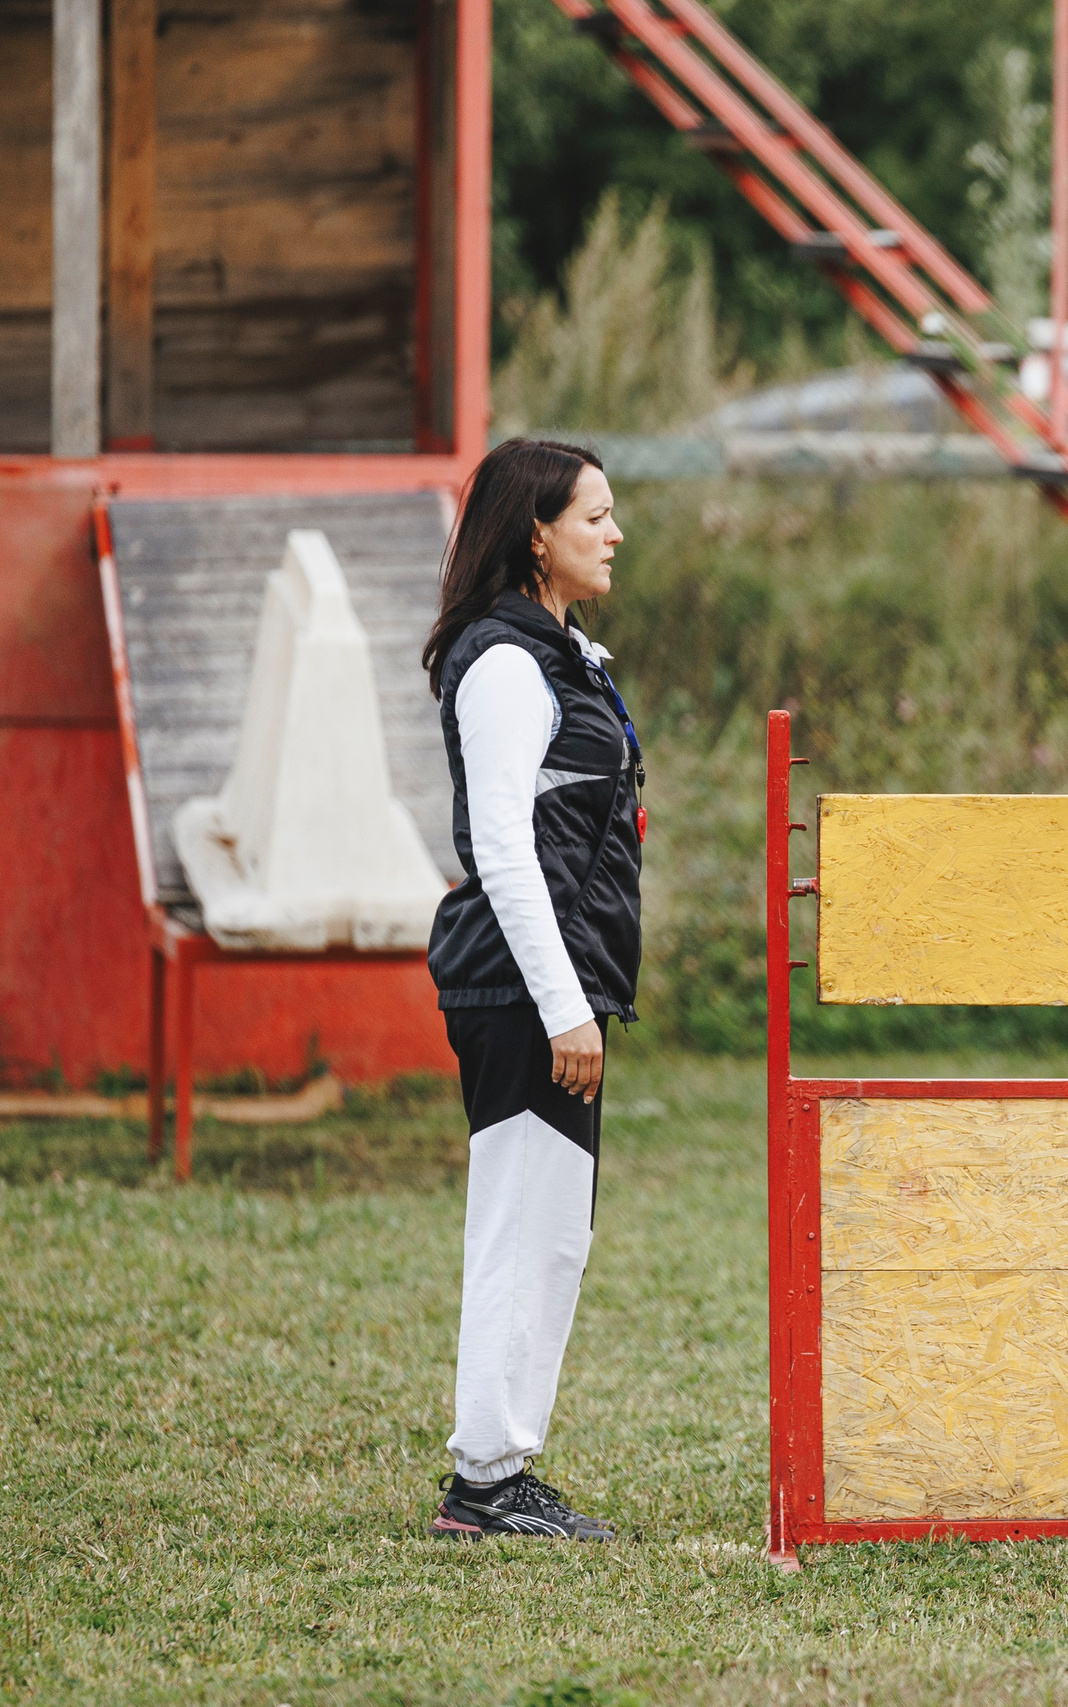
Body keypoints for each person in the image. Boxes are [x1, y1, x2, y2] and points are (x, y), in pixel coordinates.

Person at [417, 439, 644, 1541]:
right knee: (521, 1231)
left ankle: (501, 1472)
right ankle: (485, 1483)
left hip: (548, 984)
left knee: (552, 1235)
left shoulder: (558, 651)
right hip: (520, 990)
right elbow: (504, 850)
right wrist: (564, 1008)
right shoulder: (506, 664)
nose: (615, 533)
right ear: (536, 534)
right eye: (594, 516)